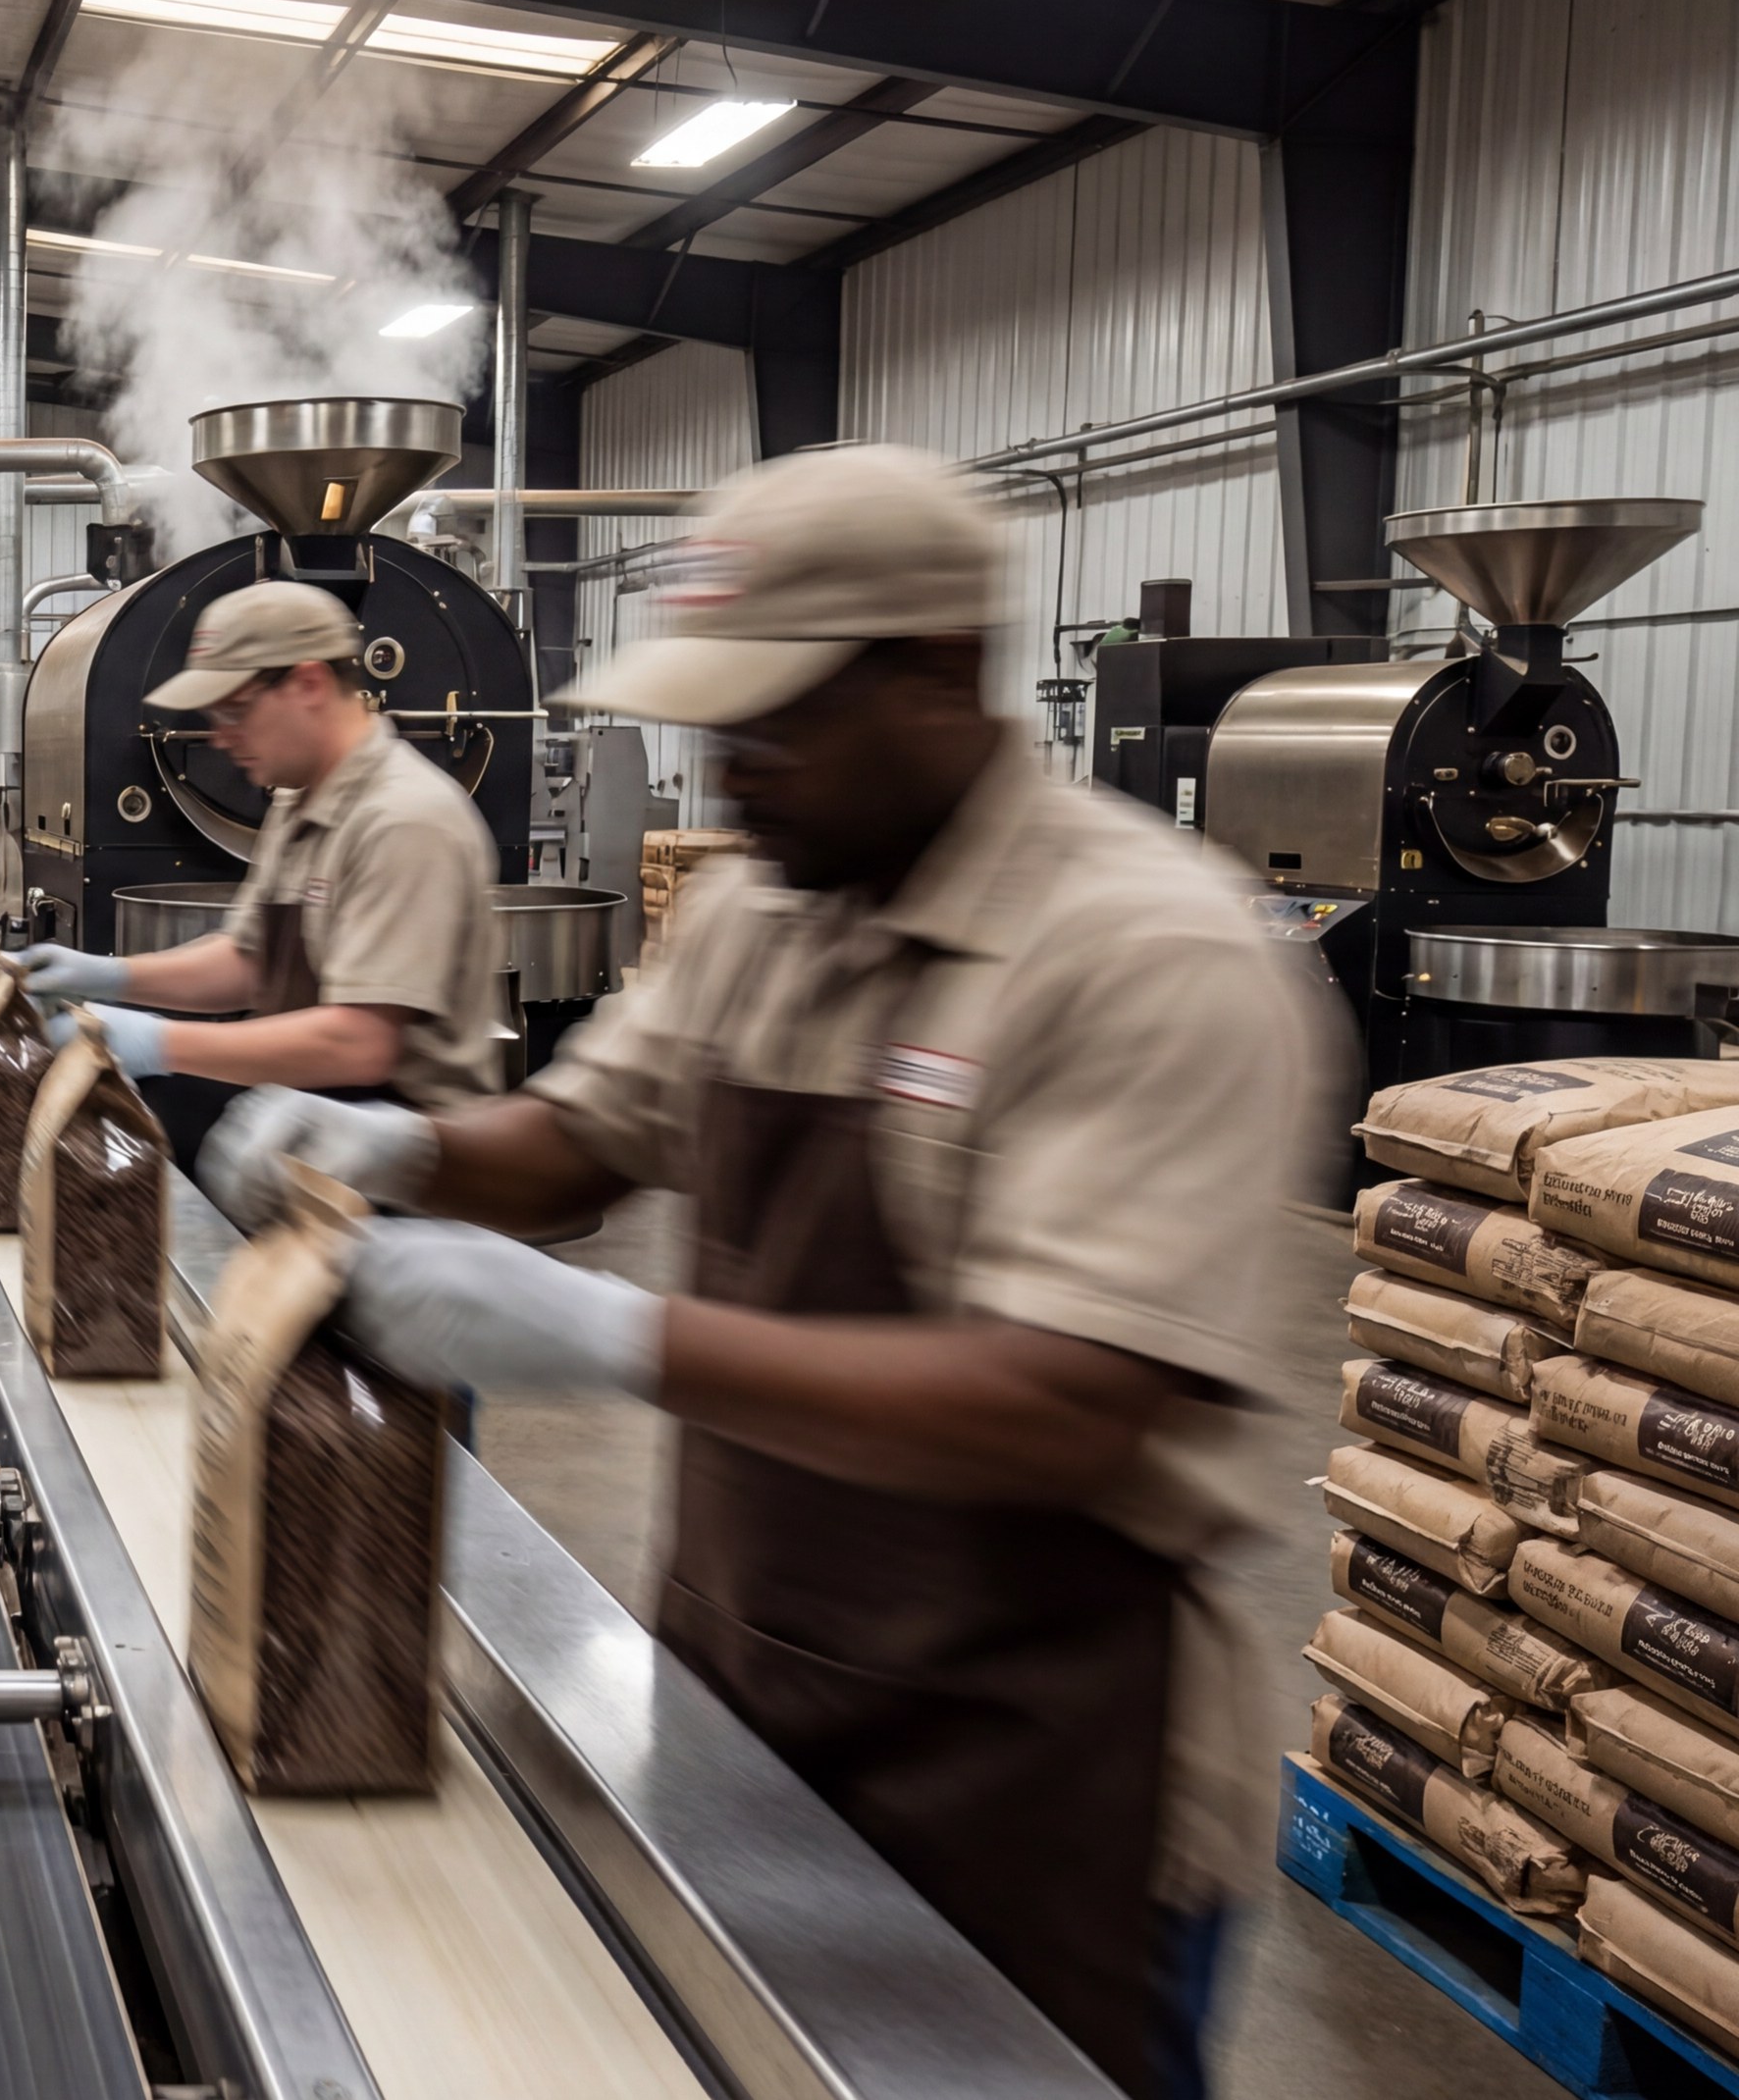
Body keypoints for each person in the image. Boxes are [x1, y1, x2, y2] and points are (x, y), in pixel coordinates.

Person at [199, 446, 1331, 2100]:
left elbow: (1066, 1407)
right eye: (714, 727)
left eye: (777, 722)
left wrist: (609, 1332)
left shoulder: (1143, 949)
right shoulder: (758, 916)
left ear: (937, 672)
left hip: (1035, 1775)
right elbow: (587, 1137)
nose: (732, 777)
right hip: (749, 1701)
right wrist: (400, 1151)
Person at [6, 581, 505, 1176]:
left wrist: (159, 1044)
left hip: (407, 1171)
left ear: (309, 684)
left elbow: (362, 1041)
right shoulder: (299, 803)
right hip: (311, 1131)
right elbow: (248, 962)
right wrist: (108, 977)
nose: (220, 736)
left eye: (235, 710)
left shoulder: (405, 819)